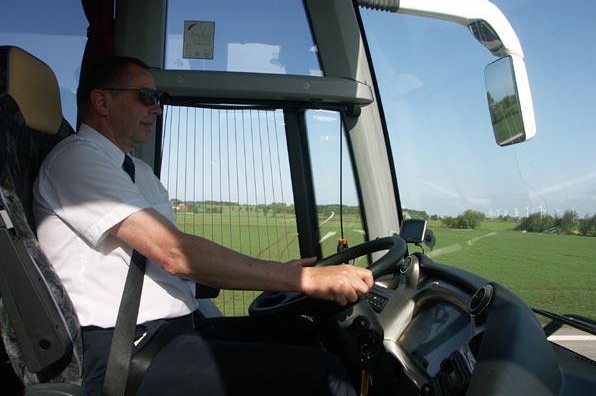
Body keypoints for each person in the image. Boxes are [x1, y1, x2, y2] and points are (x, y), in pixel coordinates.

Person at [33, 56, 374, 395]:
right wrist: (304, 279)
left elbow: (172, 254)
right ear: (101, 101)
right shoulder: (76, 160)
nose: (158, 110)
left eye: (159, 99)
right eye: (146, 97)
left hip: (175, 332)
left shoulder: (137, 172)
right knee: (322, 375)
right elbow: (175, 254)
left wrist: (281, 274)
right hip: (125, 352)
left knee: (303, 335)